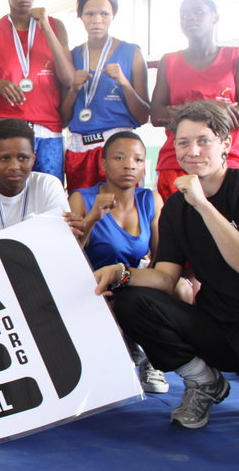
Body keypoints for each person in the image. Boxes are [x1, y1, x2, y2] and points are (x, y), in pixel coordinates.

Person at [94, 101, 239, 458]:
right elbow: (165, 278)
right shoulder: (176, 207)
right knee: (131, 298)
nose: (192, 152)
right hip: (218, 325)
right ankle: (204, 381)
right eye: (183, 143)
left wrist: (203, 204)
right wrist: (120, 274)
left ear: (224, 143)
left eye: (203, 141)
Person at [69, 131, 168, 393]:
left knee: (179, 288)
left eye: (138, 159)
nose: (129, 165)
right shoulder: (82, 198)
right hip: (89, 287)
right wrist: (92, 218)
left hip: (129, 280)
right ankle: (123, 346)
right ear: (103, 163)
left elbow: (161, 258)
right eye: (120, 157)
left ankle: (152, 358)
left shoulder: (150, 200)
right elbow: (68, 256)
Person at [150, 0, 239, 201]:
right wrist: (212, 108)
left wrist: (180, 111)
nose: (190, 17)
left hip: (226, 158)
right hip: (177, 159)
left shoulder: (235, 55)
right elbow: (156, 114)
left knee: (224, 225)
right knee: (177, 227)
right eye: (184, 15)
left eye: (198, 11)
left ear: (215, 17)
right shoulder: (169, 61)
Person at [0, 0, 73, 181]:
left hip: (48, 132)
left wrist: (45, 27)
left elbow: (68, 79)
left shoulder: (56, 26)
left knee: (49, 203)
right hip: (6, 131)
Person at [60, 0, 149, 192]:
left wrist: (124, 83)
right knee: (80, 215)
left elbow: (144, 116)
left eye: (104, 14)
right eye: (90, 14)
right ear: (80, 15)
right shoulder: (71, 56)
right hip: (79, 147)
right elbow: (62, 119)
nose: (97, 20)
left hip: (119, 146)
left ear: (114, 15)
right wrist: (73, 89)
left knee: (122, 214)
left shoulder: (132, 53)